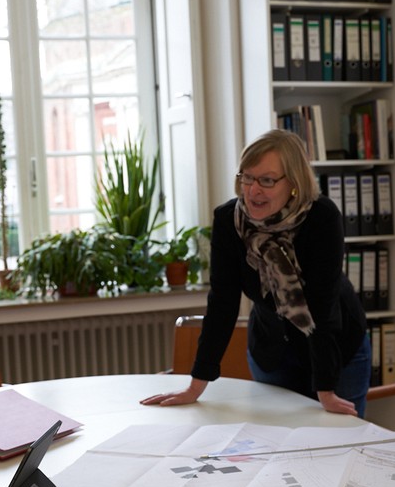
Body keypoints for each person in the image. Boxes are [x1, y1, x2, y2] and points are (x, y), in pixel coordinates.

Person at [141, 129, 371, 417]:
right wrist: (196, 385)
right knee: (276, 447)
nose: (252, 190)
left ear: (294, 182)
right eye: (246, 177)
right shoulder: (229, 221)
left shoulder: (321, 218)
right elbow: (222, 303)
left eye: (266, 180)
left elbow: (321, 308)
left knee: (339, 446)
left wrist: (325, 389)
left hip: (336, 349)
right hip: (271, 350)